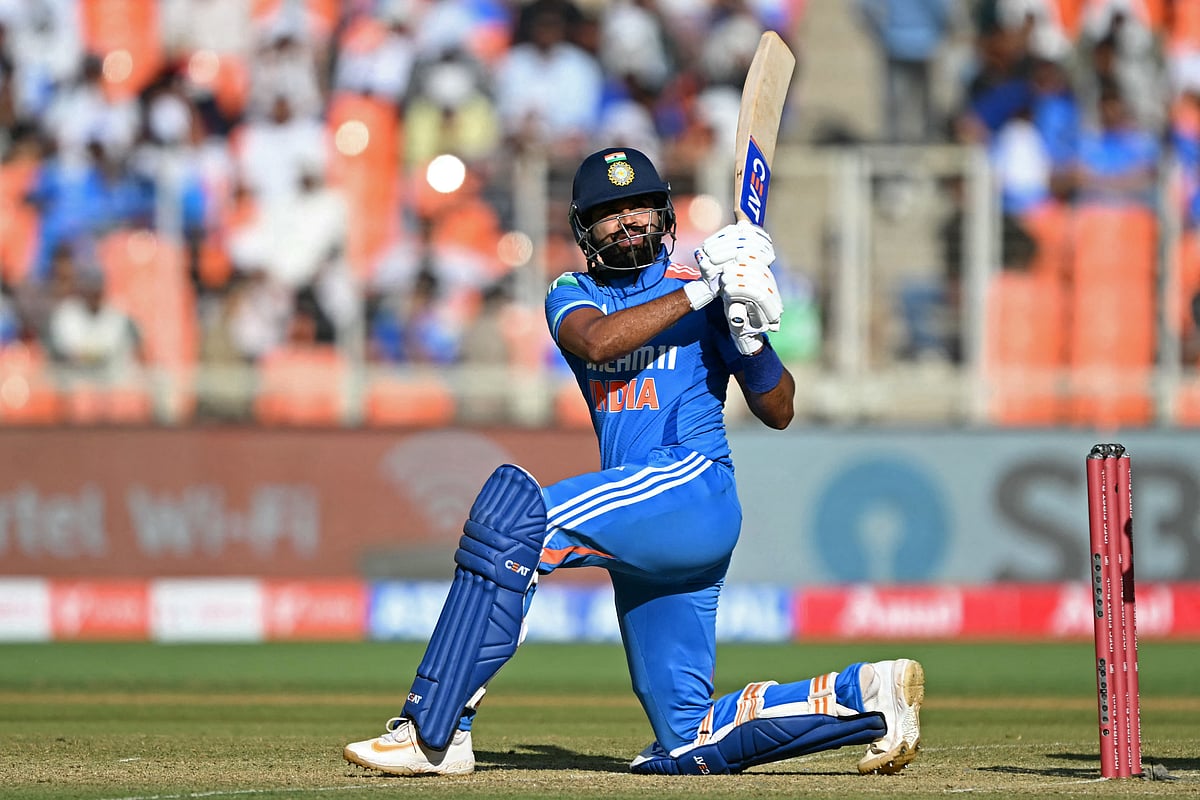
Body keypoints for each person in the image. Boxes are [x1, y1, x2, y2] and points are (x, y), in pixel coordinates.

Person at [343, 147, 925, 776]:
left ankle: (433, 731)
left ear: (664, 213)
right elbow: (598, 342)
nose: (629, 221)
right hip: (646, 518)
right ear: (584, 229)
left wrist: (751, 338)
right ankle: (870, 696)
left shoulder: (710, 297)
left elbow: (779, 410)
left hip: (693, 485)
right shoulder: (574, 293)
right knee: (686, 740)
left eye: (641, 206)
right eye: (610, 212)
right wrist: (704, 290)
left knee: (516, 522)